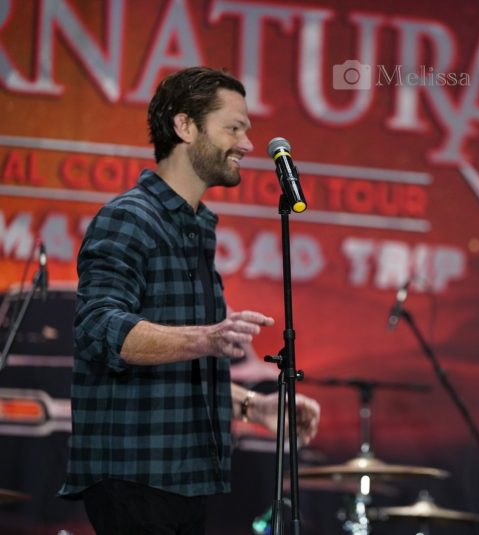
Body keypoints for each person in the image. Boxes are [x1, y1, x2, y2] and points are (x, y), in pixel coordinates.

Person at [59, 66, 321, 534]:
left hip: (186, 480)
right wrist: (206, 338)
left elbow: (176, 372)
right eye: (233, 128)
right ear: (185, 126)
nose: (246, 144)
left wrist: (252, 406)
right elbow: (98, 328)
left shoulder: (196, 227)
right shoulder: (130, 217)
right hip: (136, 477)